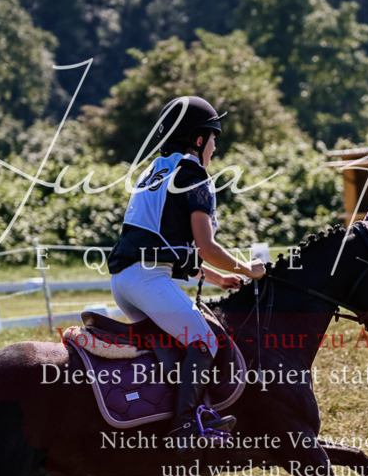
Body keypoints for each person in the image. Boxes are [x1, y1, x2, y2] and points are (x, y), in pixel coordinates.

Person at [108, 96, 265, 449]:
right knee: (204, 341)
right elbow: (206, 247)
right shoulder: (193, 175)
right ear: (197, 139)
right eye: (212, 137)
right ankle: (184, 427)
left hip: (125, 281)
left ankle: (175, 411)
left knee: (172, 344)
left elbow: (163, 246)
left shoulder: (154, 171)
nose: (214, 146)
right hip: (147, 280)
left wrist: (217, 278)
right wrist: (248, 269)